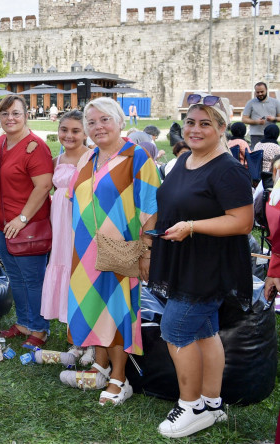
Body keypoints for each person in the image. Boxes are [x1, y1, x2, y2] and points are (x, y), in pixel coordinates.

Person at [149, 95, 253, 438]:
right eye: (191, 121)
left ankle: (191, 406)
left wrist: (192, 226)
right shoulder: (185, 161)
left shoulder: (228, 170)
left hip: (207, 266)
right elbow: (170, 201)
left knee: (176, 331)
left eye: (205, 123)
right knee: (206, 333)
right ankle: (212, 403)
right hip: (183, 259)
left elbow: (242, 221)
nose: (195, 129)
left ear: (222, 128)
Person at [61, 97, 159, 406]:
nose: (98, 126)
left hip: (120, 247)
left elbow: (152, 208)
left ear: (120, 121)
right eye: (92, 122)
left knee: (115, 311)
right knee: (94, 307)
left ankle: (120, 377)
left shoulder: (137, 156)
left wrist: (146, 252)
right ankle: (100, 366)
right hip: (86, 250)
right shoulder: (90, 158)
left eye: (105, 119)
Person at [0, 94, 53, 348]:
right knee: (15, 277)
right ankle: (25, 322)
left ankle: (40, 328)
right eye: (4, 114)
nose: (10, 118)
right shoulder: (1, 142)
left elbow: (44, 185)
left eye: (16, 113)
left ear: (26, 115)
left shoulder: (35, 147)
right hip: (2, 225)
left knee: (32, 280)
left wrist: (22, 218)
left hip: (27, 226)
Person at [41, 110, 89, 325]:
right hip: (60, 220)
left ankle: (86, 328)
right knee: (62, 261)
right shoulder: (55, 160)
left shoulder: (92, 158)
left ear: (85, 132)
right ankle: (69, 321)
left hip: (82, 220)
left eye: (75, 131)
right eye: (64, 129)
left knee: (81, 266)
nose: (69, 135)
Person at [242, 82, 280, 149]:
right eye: (257, 92)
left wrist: (273, 119)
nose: (260, 94)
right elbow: (244, 119)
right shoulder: (250, 103)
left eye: (262, 92)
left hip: (271, 135)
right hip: (256, 134)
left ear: (266, 90)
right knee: (256, 155)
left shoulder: (275, 102)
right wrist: (257, 122)